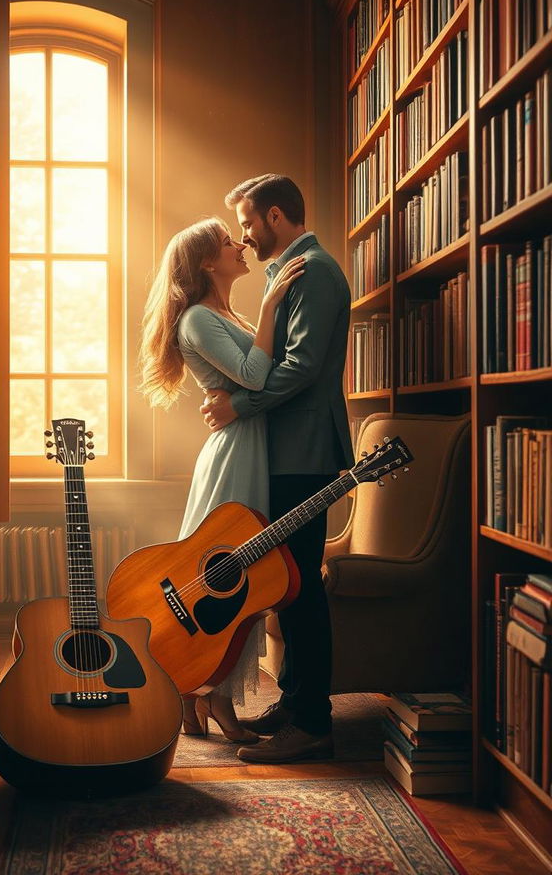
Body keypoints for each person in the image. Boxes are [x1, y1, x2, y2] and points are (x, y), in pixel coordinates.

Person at [201, 173, 354, 764]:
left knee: (301, 590)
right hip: (287, 451)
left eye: (246, 223)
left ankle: (314, 722)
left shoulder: (312, 271)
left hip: (305, 452)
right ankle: (294, 704)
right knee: (287, 587)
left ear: (273, 217)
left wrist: (237, 405)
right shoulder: (287, 272)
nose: (243, 236)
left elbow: (302, 368)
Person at [139, 215, 305, 742]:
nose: (240, 245)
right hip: (236, 455)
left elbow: (258, 374)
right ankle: (217, 698)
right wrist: (272, 304)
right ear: (208, 261)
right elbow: (256, 375)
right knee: (235, 581)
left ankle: (197, 699)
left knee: (238, 578)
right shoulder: (198, 319)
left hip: (246, 445)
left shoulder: (220, 312)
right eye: (228, 241)